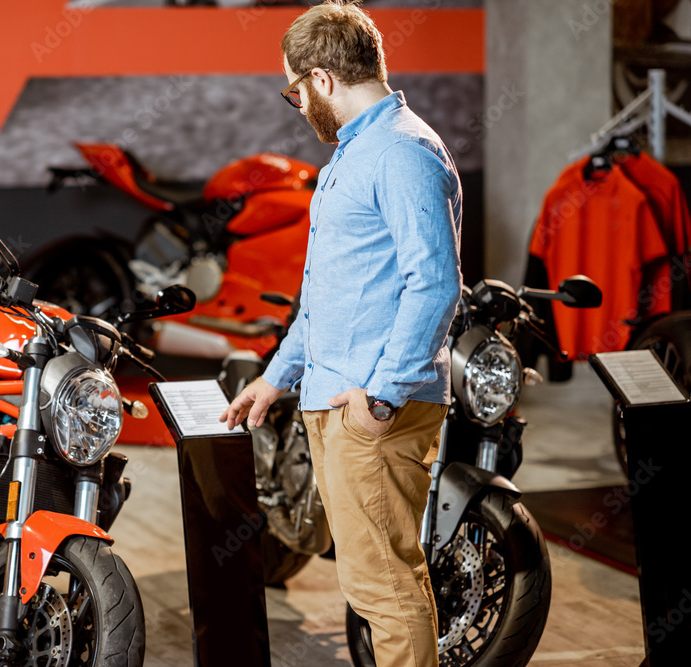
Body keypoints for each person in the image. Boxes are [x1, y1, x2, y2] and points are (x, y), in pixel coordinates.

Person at [219, 2, 462, 666]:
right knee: (369, 585)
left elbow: (435, 283)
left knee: (386, 590)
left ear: (321, 79)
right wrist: (276, 376)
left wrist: (381, 396)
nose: (296, 105)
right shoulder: (361, 152)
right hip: (341, 401)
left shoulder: (401, 152)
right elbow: (331, 297)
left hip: (372, 409)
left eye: (293, 90)